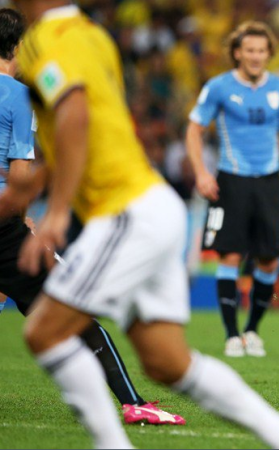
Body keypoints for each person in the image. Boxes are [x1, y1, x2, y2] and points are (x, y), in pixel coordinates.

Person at [5, 2, 279, 447]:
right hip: (151, 205)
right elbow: (82, 126)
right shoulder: (91, 35)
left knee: (44, 331)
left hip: (126, 211)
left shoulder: (51, 42)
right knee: (168, 362)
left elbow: (74, 114)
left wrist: (54, 210)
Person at [0, 7, 183, 426]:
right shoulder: (18, 95)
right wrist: (30, 218)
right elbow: (22, 171)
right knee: (77, 317)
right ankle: (132, 403)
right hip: (5, 225)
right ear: (18, 47)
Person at [186, 20, 279, 358]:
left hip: (269, 180)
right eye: (249, 50)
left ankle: (252, 330)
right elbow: (194, 130)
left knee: (268, 260)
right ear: (237, 52)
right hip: (231, 179)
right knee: (230, 255)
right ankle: (232, 334)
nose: (255, 56)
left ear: (268, 54)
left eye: (261, 51)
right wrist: (201, 173)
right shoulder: (219, 87)